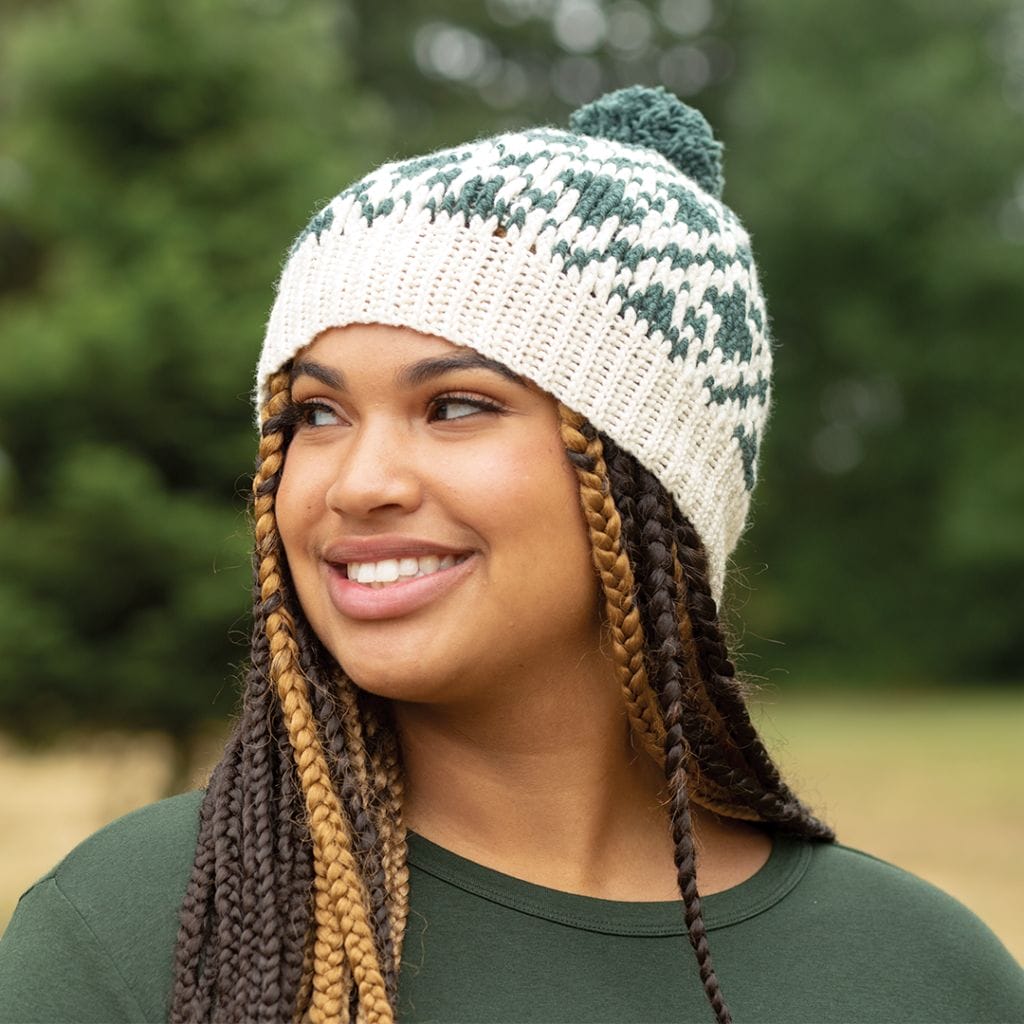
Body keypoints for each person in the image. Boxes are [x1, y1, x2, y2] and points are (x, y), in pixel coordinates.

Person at [0, 86, 1021, 1024]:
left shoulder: (926, 977)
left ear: (648, 478)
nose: (357, 483)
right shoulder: (136, 935)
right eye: (316, 413)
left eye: (454, 406)